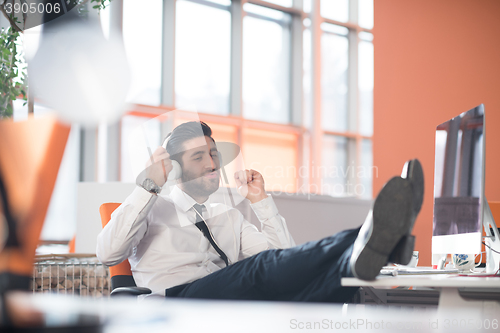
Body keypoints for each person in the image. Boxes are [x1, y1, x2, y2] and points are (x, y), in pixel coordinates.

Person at [97, 121, 424, 302]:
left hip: (224, 300)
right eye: (199, 157)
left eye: (213, 154)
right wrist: (148, 186)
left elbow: (285, 260)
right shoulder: (152, 207)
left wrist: (260, 201)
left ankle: (371, 248)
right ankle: (373, 237)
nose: (212, 164)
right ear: (175, 167)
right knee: (256, 268)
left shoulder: (229, 216)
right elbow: (108, 253)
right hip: (176, 303)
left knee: (322, 288)